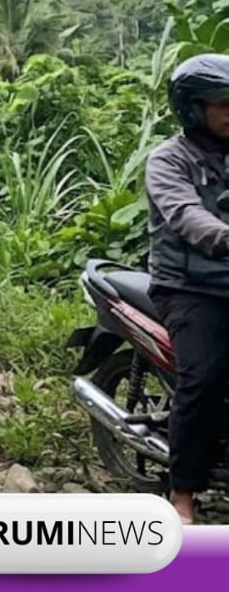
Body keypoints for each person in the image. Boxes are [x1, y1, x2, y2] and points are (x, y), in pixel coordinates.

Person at [145, 52, 229, 525]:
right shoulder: (168, 160)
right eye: (223, 105)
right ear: (194, 108)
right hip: (189, 287)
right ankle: (183, 491)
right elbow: (186, 215)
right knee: (205, 376)